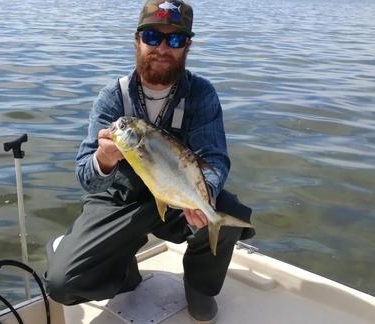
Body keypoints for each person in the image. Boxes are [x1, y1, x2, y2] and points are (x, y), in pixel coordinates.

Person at [46, 1, 254, 323]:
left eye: (174, 40)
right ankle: (123, 270)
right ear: (137, 39)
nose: (161, 47)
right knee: (62, 284)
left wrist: (205, 193)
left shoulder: (201, 94)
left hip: (177, 199)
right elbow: (86, 177)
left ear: (187, 46)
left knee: (230, 215)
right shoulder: (113, 97)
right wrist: (103, 159)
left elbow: (214, 157)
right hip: (119, 201)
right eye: (152, 36)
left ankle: (200, 287)